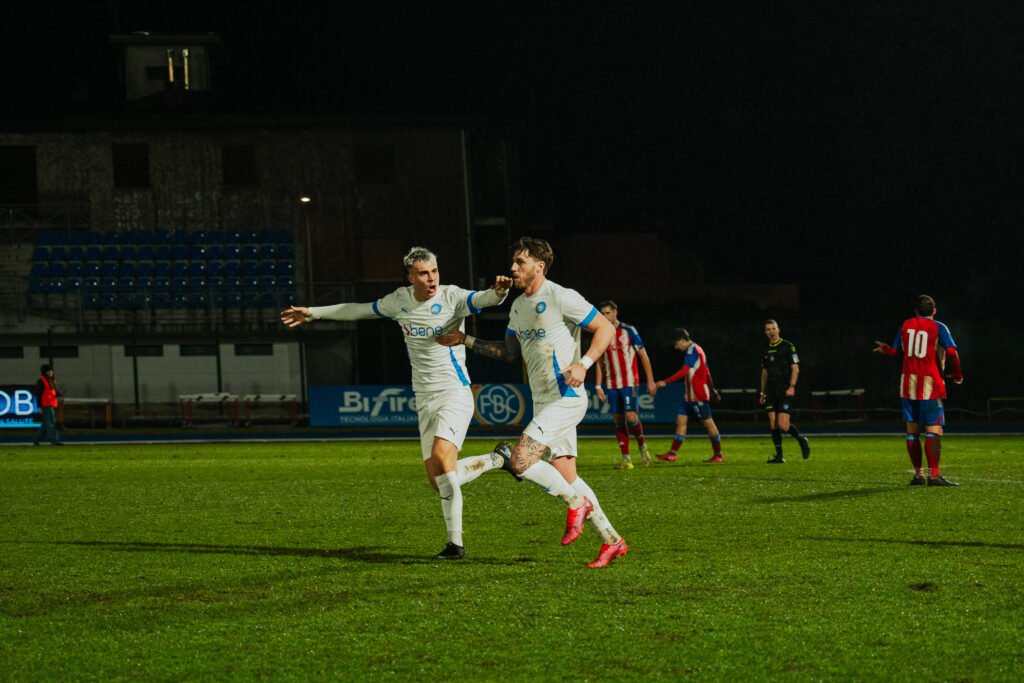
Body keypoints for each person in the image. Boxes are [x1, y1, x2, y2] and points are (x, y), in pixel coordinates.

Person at [281, 246, 514, 560]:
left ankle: (455, 546)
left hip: (454, 393)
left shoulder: (452, 297)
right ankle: (497, 459)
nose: (431, 278)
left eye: (434, 271)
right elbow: (357, 309)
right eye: (423, 273)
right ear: (410, 277)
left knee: (442, 461)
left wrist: (498, 292)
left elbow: (483, 298)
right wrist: (312, 312)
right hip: (424, 398)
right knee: (441, 479)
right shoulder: (398, 301)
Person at [436, 236, 628, 568]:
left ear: (539, 266)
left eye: (520, 262)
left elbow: (605, 329)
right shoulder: (519, 306)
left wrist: (584, 364)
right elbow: (509, 353)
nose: (513, 267)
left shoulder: (561, 296)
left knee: (520, 460)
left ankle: (504, 461)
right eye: (513, 261)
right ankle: (612, 540)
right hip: (542, 401)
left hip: (565, 397)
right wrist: (464, 339)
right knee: (568, 476)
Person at [873, 294, 962, 486]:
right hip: (929, 384)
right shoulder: (939, 327)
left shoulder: (905, 325)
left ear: (915, 311)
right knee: (934, 429)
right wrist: (957, 374)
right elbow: (953, 352)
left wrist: (885, 349)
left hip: (907, 383)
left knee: (912, 431)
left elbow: (896, 351)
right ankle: (935, 476)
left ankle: (919, 475)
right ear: (934, 311)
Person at [593, 301, 656, 469]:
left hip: (628, 382)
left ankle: (642, 447)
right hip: (611, 385)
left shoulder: (629, 331)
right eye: (603, 314)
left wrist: (650, 380)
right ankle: (626, 459)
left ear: (615, 313)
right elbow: (600, 361)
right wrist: (598, 386)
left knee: (631, 416)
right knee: (618, 419)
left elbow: (643, 355)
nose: (605, 316)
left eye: (608, 313)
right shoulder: (601, 333)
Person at [654, 328, 724, 463]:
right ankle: (672, 454)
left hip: (698, 395)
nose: (676, 347)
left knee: (708, 423)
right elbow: (707, 373)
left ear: (681, 340)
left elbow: (685, 370)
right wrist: (713, 390)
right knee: (681, 422)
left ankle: (718, 455)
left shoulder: (692, 349)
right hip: (689, 396)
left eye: (676, 344)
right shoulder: (699, 350)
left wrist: (665, 382)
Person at [760, 319, 810, 463]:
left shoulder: (788, 346)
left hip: (784, 390)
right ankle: (779, 455)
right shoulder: (765, 350)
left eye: (773, 328)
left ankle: (801, 440)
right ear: (765, 332)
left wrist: (791, 387)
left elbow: (795, 368)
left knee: (783, 424)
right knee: (772, 423)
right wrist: (762, 393)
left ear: (778, 330)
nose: (771, 331)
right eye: (768, 329)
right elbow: (764, 373)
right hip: (770, 390)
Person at [33, 364, 63, 446]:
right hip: (46, 404)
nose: (51, 372)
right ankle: (55, 441)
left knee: (46, 425)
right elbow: (39, 394)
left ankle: (36, 439)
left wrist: (58, 394)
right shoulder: (42, 381)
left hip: (50, 404)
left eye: (51, 371)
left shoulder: (50, 380)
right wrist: (39, 406)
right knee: (51, 424)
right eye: (49, 371)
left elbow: (50, 393)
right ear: (45, 372)